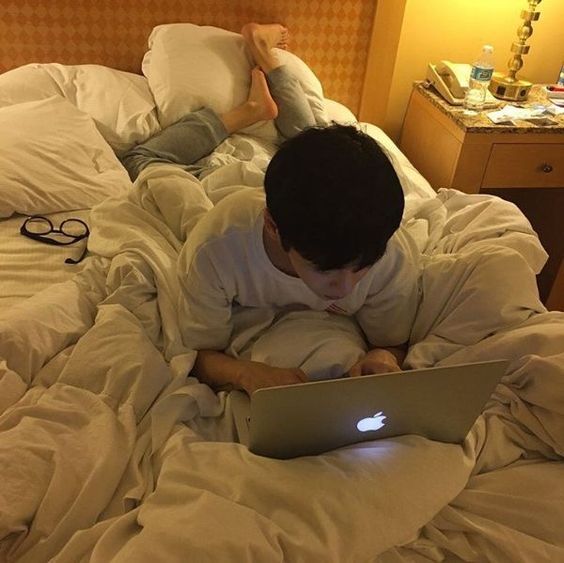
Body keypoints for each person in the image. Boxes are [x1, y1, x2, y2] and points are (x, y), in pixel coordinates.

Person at [122, 23, 421, 396]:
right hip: (222, 184)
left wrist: (383, 358)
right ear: (273, 227)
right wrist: (244, 374)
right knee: (145, 162)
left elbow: (393, 343)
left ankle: (265, 72)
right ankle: (248, 110)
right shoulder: (216, 248)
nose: (345, 288)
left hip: (296, 194)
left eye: (362, 268)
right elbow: (197, 352)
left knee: (309, 142)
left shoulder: (386, 247)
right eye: (326, 270)